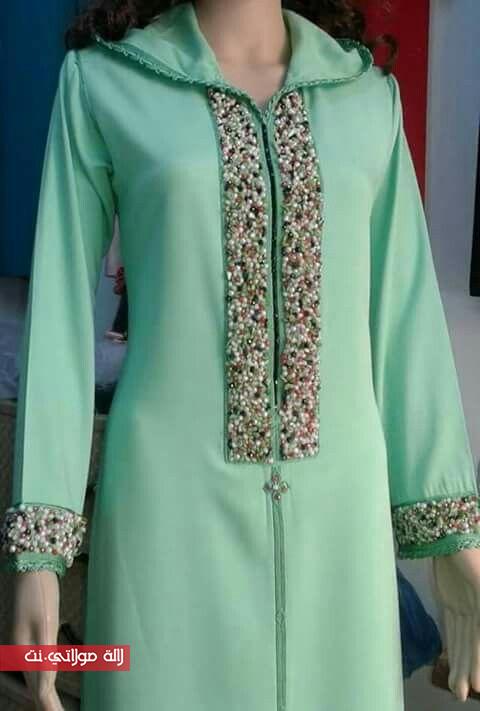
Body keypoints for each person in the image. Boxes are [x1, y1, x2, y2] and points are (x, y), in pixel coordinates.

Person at [2, 1, 480, 709]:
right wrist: (38, 552)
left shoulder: (365, 96)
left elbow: (406, 321)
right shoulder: (106, 82)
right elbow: (60, 319)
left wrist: (454, 539)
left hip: (340, 524)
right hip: (166, 517)